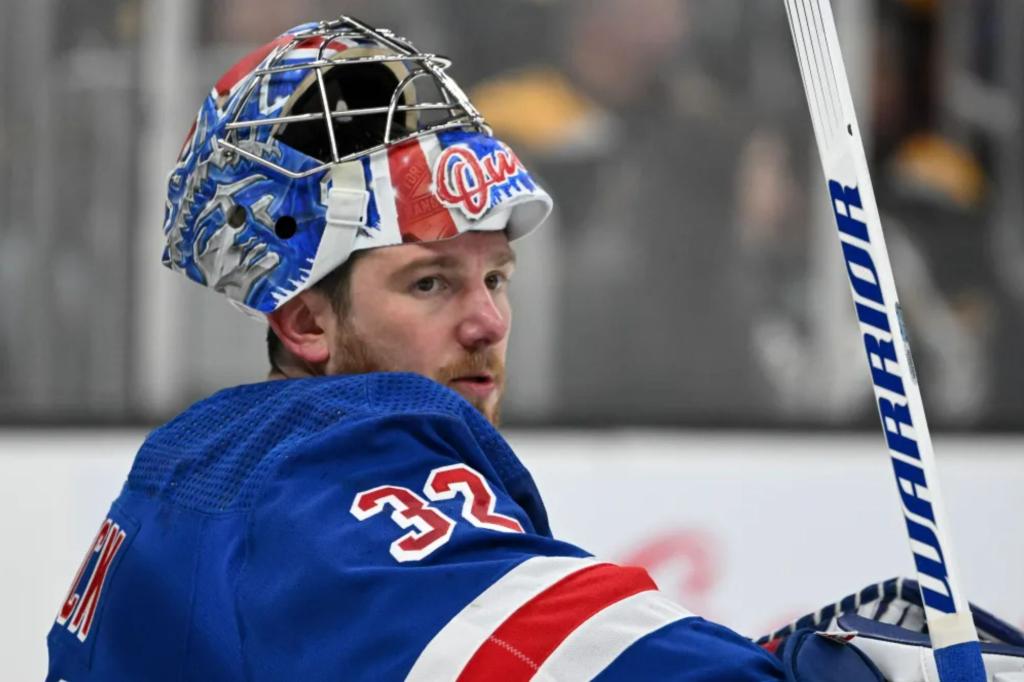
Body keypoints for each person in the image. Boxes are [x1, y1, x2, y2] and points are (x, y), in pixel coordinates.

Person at [45, 16, 1018, 681]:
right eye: (430, 282)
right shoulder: (324, 491)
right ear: (303, 322)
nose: (487, 323)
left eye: (495, 278)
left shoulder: (196, 478)